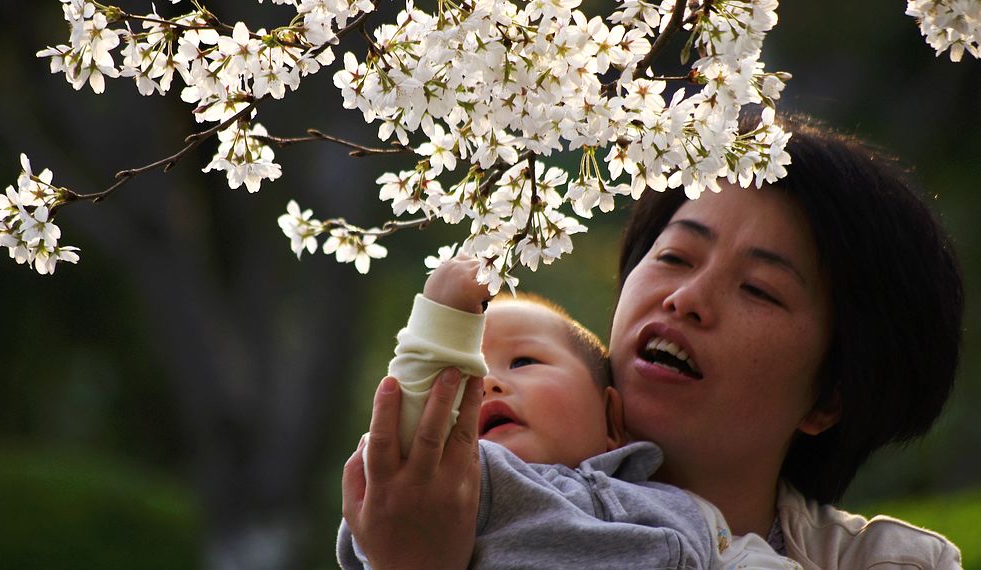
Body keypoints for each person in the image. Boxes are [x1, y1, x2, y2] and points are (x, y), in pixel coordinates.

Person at [342, 112, 964, 569]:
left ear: (829, 396)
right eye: (673, 256)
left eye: (759, 290)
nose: (686, 298)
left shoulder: (893, 564)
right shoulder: (464, 508)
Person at [340, 257, 799, 568]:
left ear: (611, 419)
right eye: (467, 376)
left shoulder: (681, 507)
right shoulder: (470, 482)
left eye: (523, 362)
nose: (488, 384)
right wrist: (442, 320)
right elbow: (401, 457)